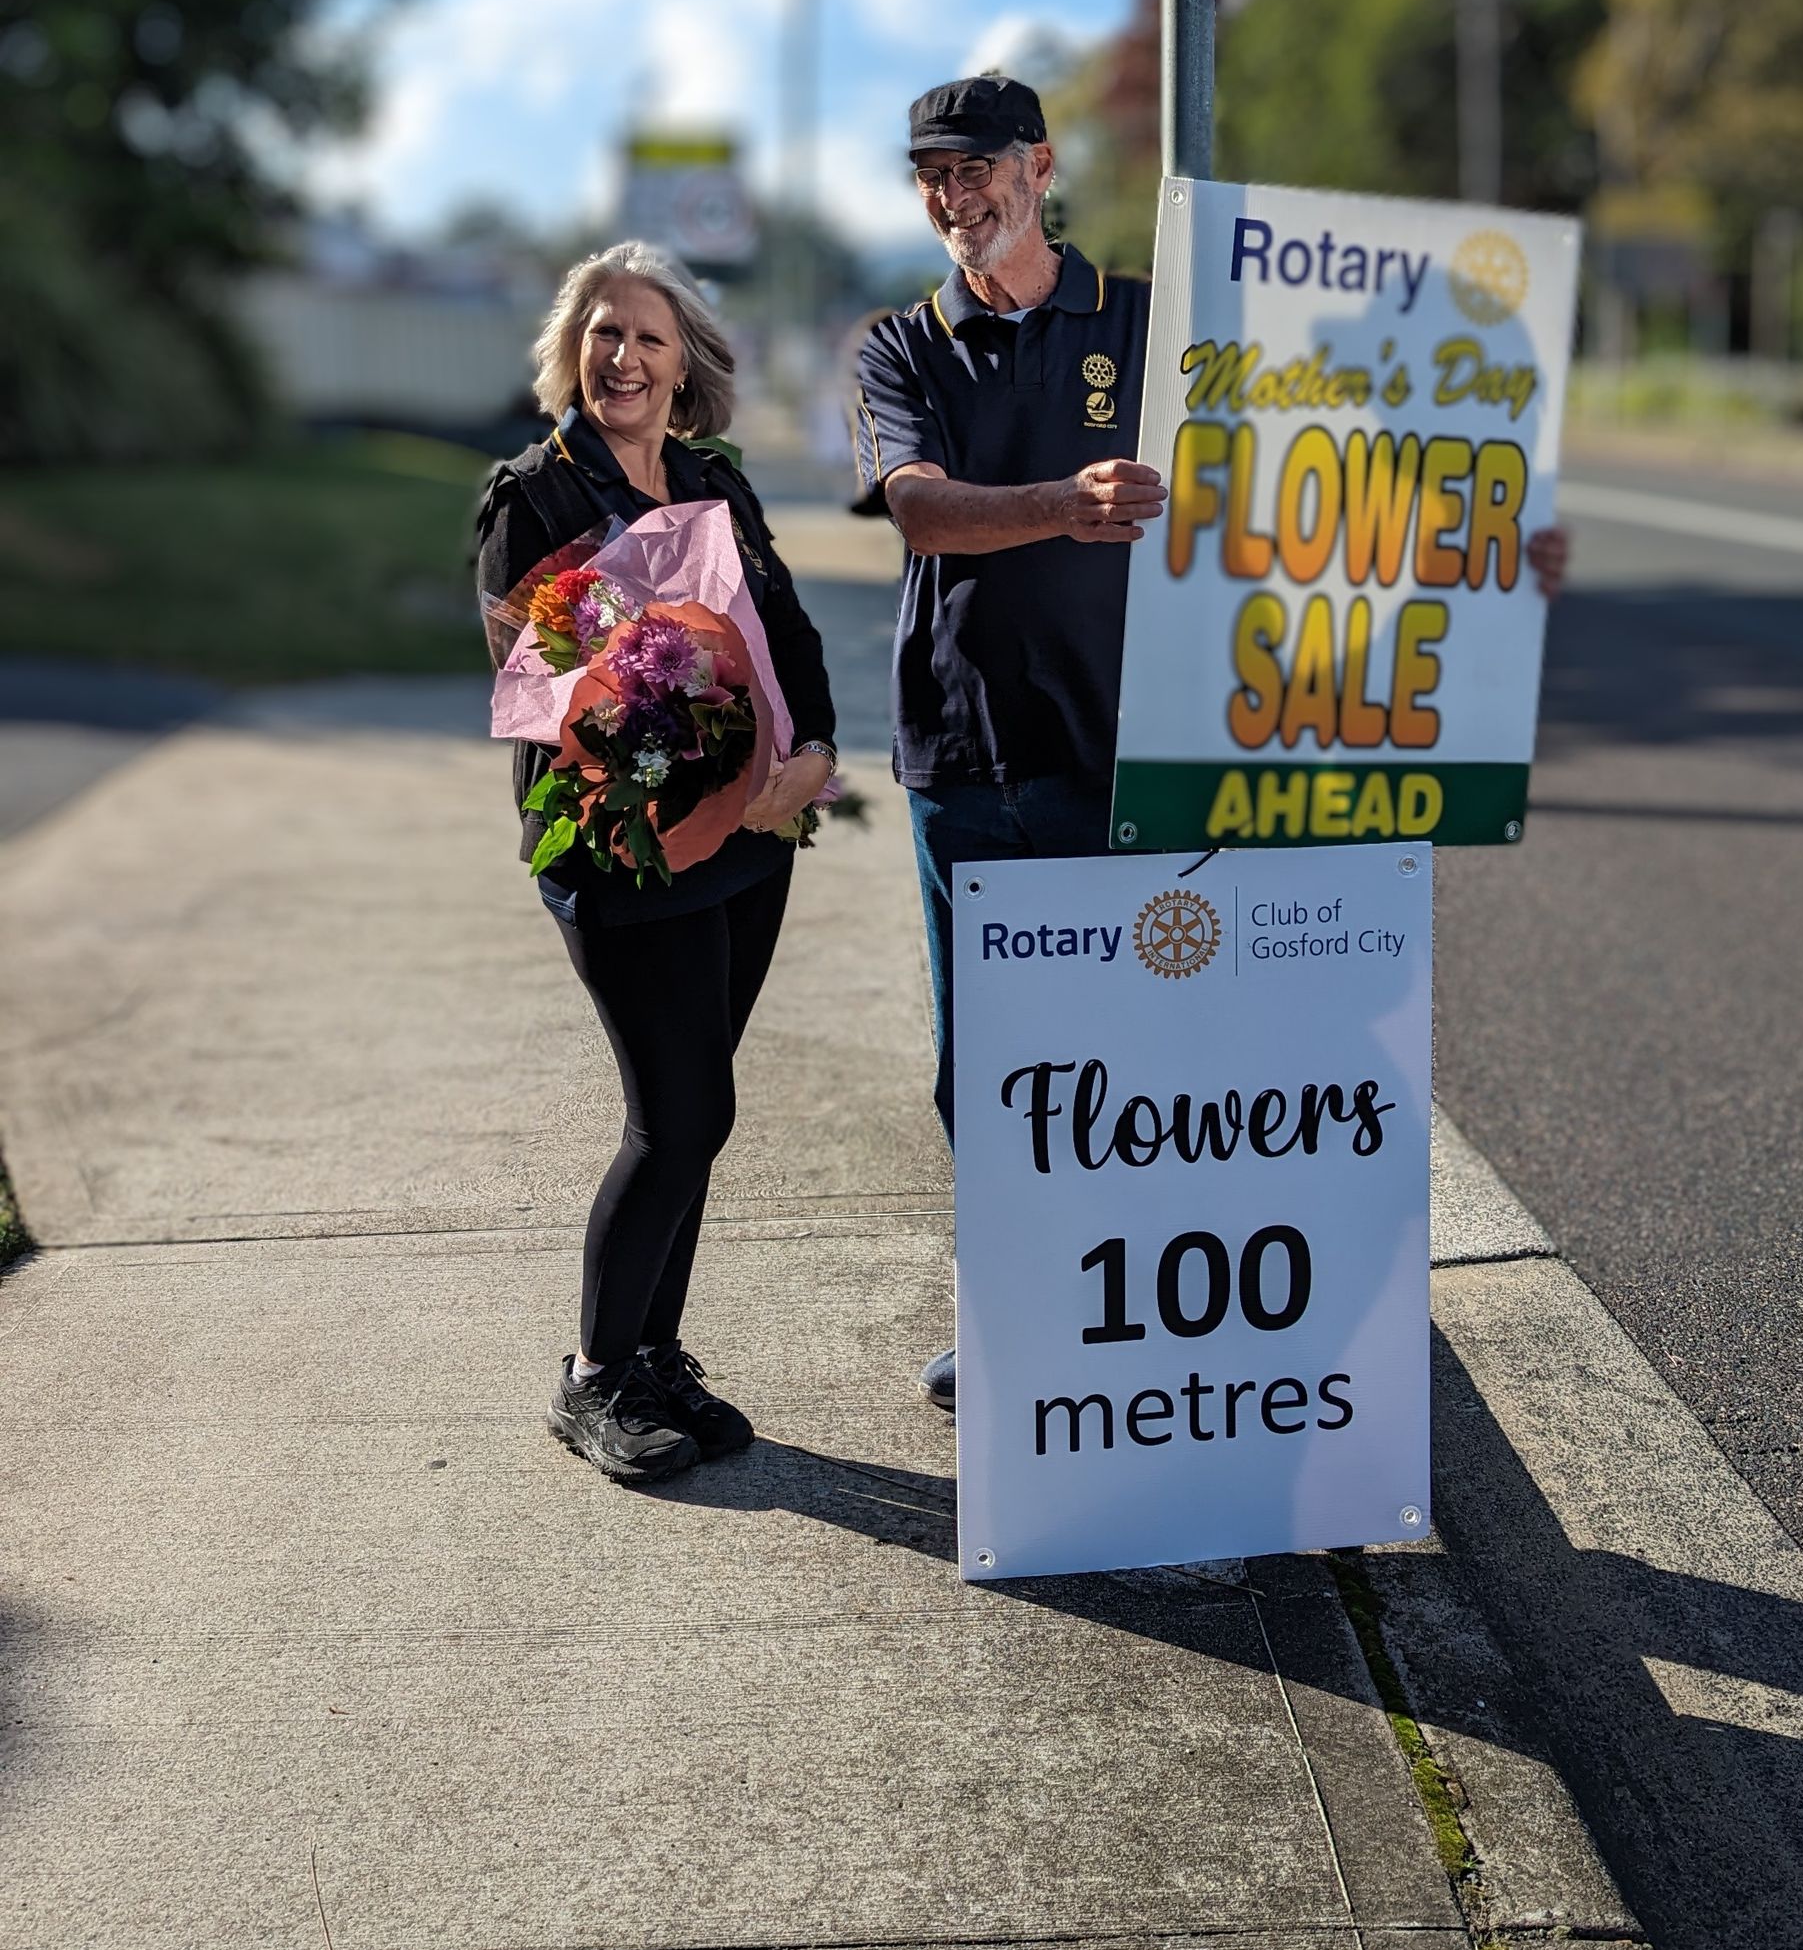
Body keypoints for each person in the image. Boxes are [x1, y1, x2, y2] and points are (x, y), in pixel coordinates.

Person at [850, 76, 1568, 1412]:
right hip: (961, 764)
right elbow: (924, 512)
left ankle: (1148, 1342)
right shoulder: (902, 346)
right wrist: (1068, 502)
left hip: (1126, 759)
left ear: (1042, 166)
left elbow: (1320, 457)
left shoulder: (1147, 318)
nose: (956, 194)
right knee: (986, 1077)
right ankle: (1017, 1322)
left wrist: (1487, 547)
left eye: (978, 166)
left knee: (1142, 1069)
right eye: (932, 174)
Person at [477, 241, 837, 1487]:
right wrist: (637, 694)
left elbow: (784, 625)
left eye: (647, 337)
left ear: (688, 365)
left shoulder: (713, 480)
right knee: (680, 1112)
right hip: (623, 853)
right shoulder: (534, 494)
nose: (621, 356)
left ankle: (653, 1356)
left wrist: (814, 754)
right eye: (602, 334)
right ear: (572, 353)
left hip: (748, 842)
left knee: (698, 1113)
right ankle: (592, 1375)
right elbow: (535, 685)